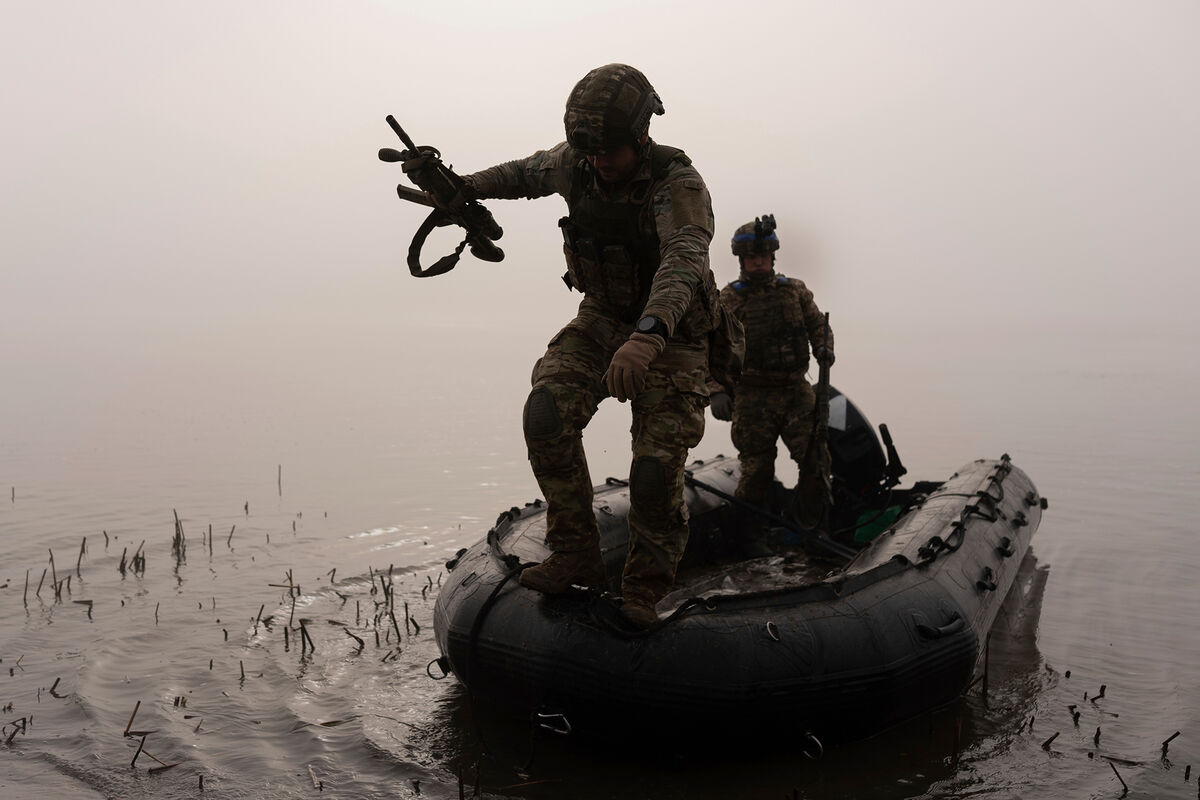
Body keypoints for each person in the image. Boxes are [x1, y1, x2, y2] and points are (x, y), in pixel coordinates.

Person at [450, 64, 722, 630]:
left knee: (653, 470)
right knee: (546, 411)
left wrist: (646, 337)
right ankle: (574, 551)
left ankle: (643, 590)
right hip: (602, 319)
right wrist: (462, 186)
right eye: (591, 152)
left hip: (673, 338)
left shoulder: (678, 185)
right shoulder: (578, 161)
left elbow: (684, 260)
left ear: (642, 136)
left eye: (612, 152)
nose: (601, 163)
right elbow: (523, 173)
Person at [709, 215, 835, 545]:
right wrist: (716, 391)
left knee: (816, 461)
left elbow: (818, 326)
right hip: (752, 398)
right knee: (756, 471)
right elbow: (709, 348)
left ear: (773, 257)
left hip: (796, 391)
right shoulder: (728, 301)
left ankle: (813, 530)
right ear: (741, 260)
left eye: (764, 256)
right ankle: (753, 538)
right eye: (752, 257)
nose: (758, 262)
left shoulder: (794, 291)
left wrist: (824, 349)